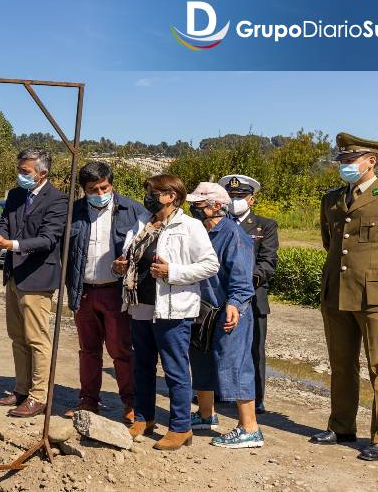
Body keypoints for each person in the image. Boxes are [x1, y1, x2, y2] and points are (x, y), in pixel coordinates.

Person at [311, 132, 378, 461]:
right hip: (338, 292)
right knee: (341, 364)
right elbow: (331, 244)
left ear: (371, 161)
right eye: (341, 160)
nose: (345, 166)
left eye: (351, 160)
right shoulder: (332, 199)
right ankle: (341, 426)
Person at [115, 174, 218, 451]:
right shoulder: (141, 224)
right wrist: (122, 265)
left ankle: (180, 427)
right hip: (141, 306)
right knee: (143, 366)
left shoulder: (190, 226)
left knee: (174, 370)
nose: (147, 196)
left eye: (152, 191)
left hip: (173, 309)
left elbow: (210, 265)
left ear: (170, 196)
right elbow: (132, 256)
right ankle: (143, 418)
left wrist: (173, 272)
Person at [64, 161, 148, 422]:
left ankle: (131, 403)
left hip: (116, 293)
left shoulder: (133, 210)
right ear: (83, 190)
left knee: (121, 350)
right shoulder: (73, 212)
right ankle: (88, 400)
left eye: (104, 187)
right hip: (84, 292)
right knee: (88, 350)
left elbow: (149, 247)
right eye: (93, 189)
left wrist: (130, 264)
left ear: (111, 184)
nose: (100, 193)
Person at [0, 148, 68, 418]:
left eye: (26, 172)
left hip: (37, 278)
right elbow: (4, 224)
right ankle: (21, 389)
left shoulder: (58, 200)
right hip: (13, 276)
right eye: (19, 170)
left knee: (36, 339)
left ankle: (38, 396)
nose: (20, 176)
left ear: (42, 173)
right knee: (17, 337)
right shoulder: (15, 194)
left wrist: (11, 245)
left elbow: (48, 239)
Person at [186, 182, 262, 448]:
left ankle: (249, 428)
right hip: (203, 309)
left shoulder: (232, 234)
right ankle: (206, 414)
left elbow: (242, 276)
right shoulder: (200, 231)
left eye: (199, 204)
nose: (194, 208)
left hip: (228, 309)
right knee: (202, 360)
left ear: (217, 206)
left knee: (234, 364)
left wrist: (235, 304)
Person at [218, 174, 279, 414]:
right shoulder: (217, 223)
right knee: (217, 345)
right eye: (231, 196)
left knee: (254, 350)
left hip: (252, 296)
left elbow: (268, 262)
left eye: (241, 196)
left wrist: (243, 281)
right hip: (219, 297)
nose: (235, 200)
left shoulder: (265, 225)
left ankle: (257, 398)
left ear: (251, 199)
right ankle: (219, 393)